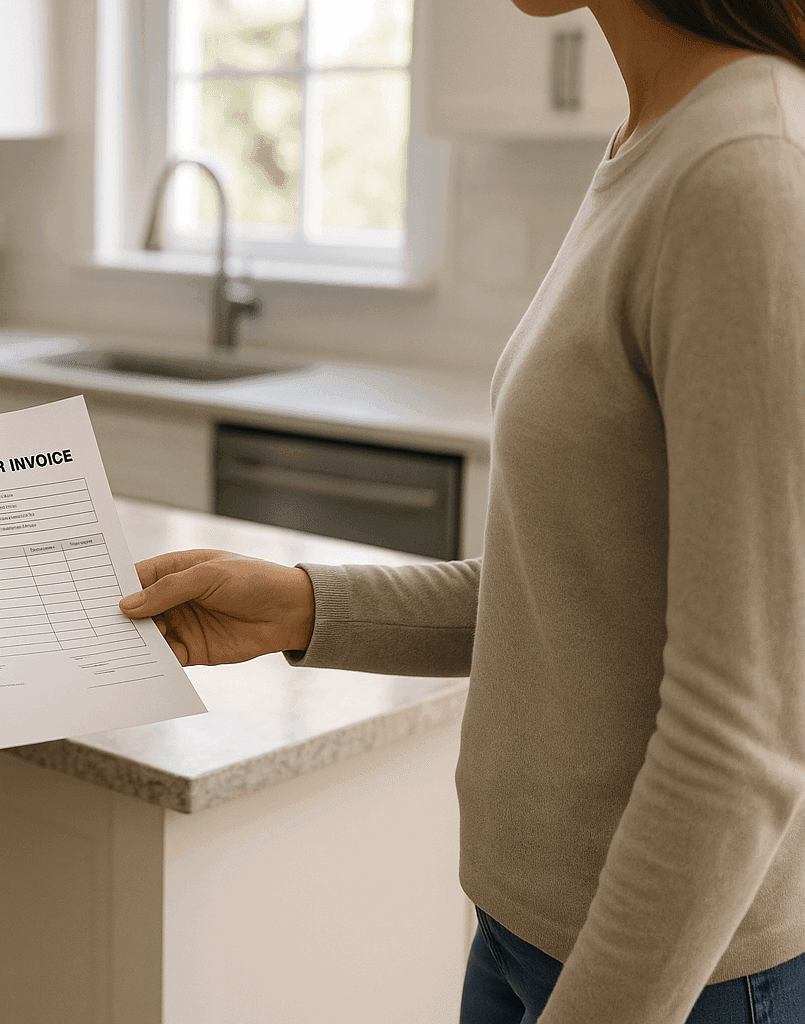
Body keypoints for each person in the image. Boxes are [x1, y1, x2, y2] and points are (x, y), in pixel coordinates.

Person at [119, 1, 805, 1021]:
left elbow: (745, 734)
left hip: (672, 978)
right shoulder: (658, 139)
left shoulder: (745, 170)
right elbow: (573, 595)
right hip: (525, 937)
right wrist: (298, 606)